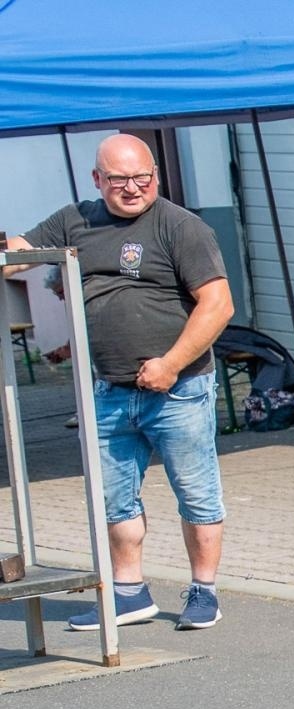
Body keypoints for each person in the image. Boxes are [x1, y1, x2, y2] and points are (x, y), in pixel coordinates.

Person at [5, 134, 233, 631]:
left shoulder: (181, 227)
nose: (132, 188)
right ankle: (129, 594)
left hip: (178, 389)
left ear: (156, 175)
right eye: (119, 179)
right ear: (97, 179)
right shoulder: (75, 220)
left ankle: (204, 591)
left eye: (142, 177)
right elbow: (19, 255)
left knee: (196, 493)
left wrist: (171, 364)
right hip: (109, 390)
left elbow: (218, 305)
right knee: (114, 499)